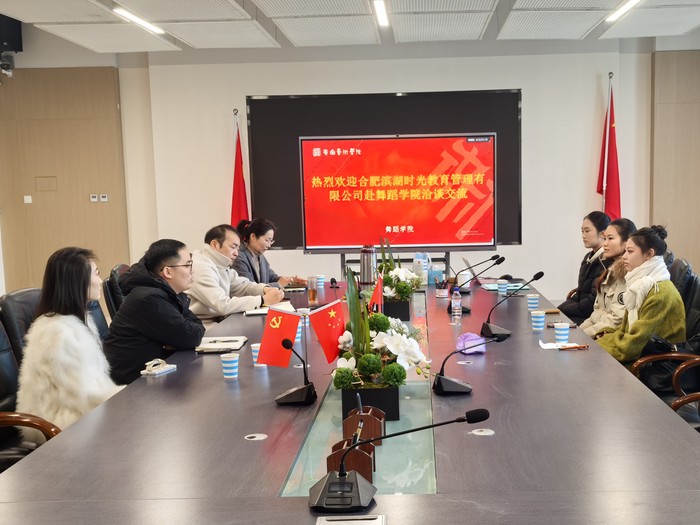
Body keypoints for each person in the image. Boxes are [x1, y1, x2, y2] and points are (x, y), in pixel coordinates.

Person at [16, 247, 122, 444]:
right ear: (77, 281)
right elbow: (82, 397)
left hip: (83, 417)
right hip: (63, 428)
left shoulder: (76, 322)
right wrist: (127, 397)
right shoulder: (58, 333)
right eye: (96, 274)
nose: (100, 281)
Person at [104, 239, 205, 384]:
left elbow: (196, 325)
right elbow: (192, 336)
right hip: (133, 383)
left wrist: (179, 339)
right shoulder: (149, 299)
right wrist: (180, 338)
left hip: (155, 371)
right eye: (188, 265)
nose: (192, 270)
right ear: (168, 272)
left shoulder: (167, 293)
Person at [597, 226, 685, 364]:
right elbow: (626, 332)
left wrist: (598, 346)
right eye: (625, 251)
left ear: (649, 254)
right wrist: (604, 337)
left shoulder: (659, 292)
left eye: (630, 251)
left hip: (652, 365)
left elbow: (632, 347)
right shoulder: (640, 286)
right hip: (640, 357)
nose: (624, 256)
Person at [187, 224, 285, 324]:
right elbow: (222, 305)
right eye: (233, 247)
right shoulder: (201, 266)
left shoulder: (221, 264)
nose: (236, 253)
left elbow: (243, 286)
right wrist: (262, 300)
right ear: (215, 244)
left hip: (219, 320)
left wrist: (265, 289)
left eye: (237, 248)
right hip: (202, 325)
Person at [580, 218, 637, 338]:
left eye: (610, 238)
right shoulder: (610, 269)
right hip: (598, 331)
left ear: (627, 242)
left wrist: (583, 336)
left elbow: (616, 320)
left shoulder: (627, 273)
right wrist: (578, 332)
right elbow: (596, 313)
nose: (605, 243)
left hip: (610, 337)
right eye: (605, 238)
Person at [558, 211, 611, 324]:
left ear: (603, 234)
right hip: (581, 312)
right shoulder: (588, 257)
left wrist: (563, 310)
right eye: (582, 231)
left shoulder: (605, 261)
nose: (583, 235)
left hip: (591, 317)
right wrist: (559, 309)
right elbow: (580, 293)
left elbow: (592, 303)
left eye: (587, 231)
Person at [233, 218, 306, 287]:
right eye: (267, 240)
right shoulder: (239, 257)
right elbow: (249, 288)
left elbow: (272, 277)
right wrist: (278, 285)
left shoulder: (260, 256)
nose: (269, 245)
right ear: (253, 237)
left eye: (271, 241)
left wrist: (291, 281)